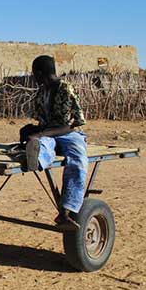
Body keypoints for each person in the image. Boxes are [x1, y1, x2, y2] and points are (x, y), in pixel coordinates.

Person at [24, 55, 88, 229]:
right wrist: (33, 131)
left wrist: (42, 133)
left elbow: (74, 123)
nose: (34, 78)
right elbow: (41, 121)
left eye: (34, 74)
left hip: (69, 133)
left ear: (40, 73)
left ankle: (67, 209)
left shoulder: (66, 89)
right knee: (44, 146)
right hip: (48, 133)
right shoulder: (42, 92)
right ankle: (35, 157)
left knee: (78, 160)